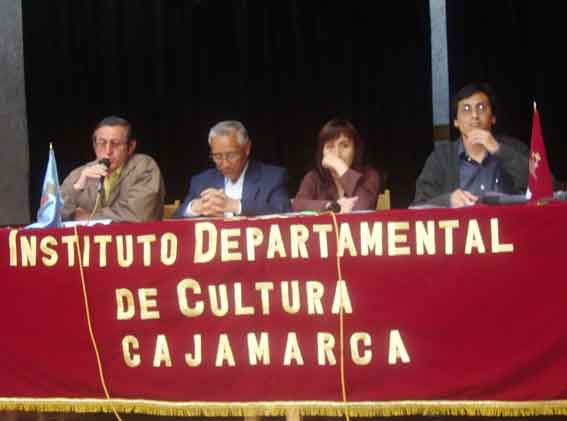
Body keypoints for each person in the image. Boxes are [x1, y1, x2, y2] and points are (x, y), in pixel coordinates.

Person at [412, 82, 529, 208]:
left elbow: (542, 186)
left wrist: (499, 150)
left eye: (481, 108)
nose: (474, 115)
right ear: (456, 121)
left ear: (493, 117)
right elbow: (418, 206)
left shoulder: (514, 148)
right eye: (466, 109)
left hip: (508, 220)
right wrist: (448, 200)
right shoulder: (441, 158)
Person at [174, 120, 291, 217]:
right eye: (217, 156)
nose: (225, 164)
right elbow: (174, 220)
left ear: (247, 149)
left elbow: (285, 215)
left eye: (231, 155)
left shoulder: (272, 178)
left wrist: (236, 206)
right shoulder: (201, 181)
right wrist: (194, 208)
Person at [61, 116, 165, 222]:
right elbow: (54, 216)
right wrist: (77, 187)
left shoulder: (144, 167)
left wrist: (89, 217)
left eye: (115, 144)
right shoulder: (79, 174)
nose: (108, 151)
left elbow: (138, 215)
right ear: (94, 146)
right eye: (102, 143)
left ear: (131, 147)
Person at [292, 118, 381, 213]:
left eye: (345, 146)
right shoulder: (313, 177)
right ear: (322, 152)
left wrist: (340, 167)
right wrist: (332, 206)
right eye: (330, 146)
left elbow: (363, 207)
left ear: (355, 149)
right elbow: (298, 204)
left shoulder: (370, 175)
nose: (337, 154)